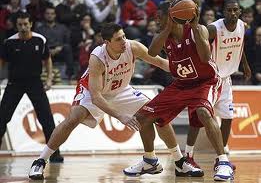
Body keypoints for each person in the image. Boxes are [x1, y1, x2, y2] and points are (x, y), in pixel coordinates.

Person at [28, 22, 202, 180]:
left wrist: (187, 70)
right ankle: (40, 161)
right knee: (73, 118)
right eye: (119, 39)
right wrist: (120, 116)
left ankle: (179, 162)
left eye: (124, 36)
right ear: (107, 42)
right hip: (92, 91)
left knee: (156, 114)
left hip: (121, 90)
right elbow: (96, 97)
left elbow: (160, 62)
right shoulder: (97, 58)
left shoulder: (132, 47)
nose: (124, 41)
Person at [128, 0, 234, 181]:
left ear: (171, 15)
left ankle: (223, 162)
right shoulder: (164, 35)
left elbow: (205, 56)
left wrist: (193, 27)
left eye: (159, 17)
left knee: (202, 112)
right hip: (181, 84)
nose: (156, 21)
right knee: (142, 118)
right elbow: (152, 52)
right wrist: (167, 27)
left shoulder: (197, 30)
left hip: (205, 81)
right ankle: (150, 160)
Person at [184, 0, 251, 171]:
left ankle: (220, 158)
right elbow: (199, 40)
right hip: (210, 79)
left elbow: (240, 45)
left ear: (240, 11)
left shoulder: (243, 26)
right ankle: (188, 155)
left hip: (226, 79)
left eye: (235, 10)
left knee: (228, 119)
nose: (233, 13)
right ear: (223, 11)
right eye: (229, 10)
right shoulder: (214, 28)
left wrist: (244, 64)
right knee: (199, 116)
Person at [0, 11, 63, 162]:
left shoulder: (40, 40)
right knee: (2, 117)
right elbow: (2, 61)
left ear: (31, 24)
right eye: (20, 25)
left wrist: (49, 79)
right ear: (16, 25)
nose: (23, 27)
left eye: (26, 24)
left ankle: (55, 153)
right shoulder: (9, 42)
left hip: (35, 82)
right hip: (14, 83)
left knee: (46, 118)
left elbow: (47, 59)